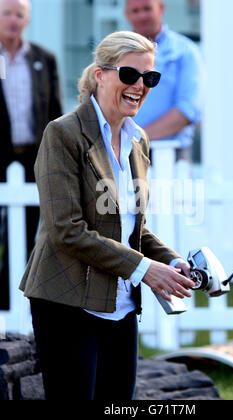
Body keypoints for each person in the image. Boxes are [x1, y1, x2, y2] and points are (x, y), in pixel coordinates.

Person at [19, 31, 195, 401]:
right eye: (130, 75)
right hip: (66, 301)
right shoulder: (63, 133)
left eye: (150, 78)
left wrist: (173, 262)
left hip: (122, 304)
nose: (140, 86)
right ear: (100, 75)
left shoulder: (138, 139)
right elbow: (67, 230)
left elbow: (134, 228)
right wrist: (147, 269)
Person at [0, 0, 62, 308]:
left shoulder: (43, 58)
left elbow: (54, 111)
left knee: (26, 232)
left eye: (19, 15)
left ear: (27, 20)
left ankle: (13, 298)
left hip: (33, 156)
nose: (13, 20)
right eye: (7, 13)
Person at [125, 0, 203, 162]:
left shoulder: (185, 52)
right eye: (135, 11)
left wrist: (136, 140)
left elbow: (187, 111)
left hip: (169, 154)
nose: (142, 16)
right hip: (122, 154)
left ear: (161, 8)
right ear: (127, 14)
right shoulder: (118, 54)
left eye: (147, 9)